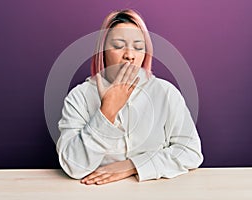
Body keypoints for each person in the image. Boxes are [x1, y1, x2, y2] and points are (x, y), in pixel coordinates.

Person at [56, 9, 203, 185]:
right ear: (102, 50)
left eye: (139, 47)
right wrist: (107, 112)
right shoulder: (79, 97)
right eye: (118, 46)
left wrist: (132, 166)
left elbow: (191, 152)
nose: (130, 55)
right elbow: (73, 166)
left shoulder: (166, 93)